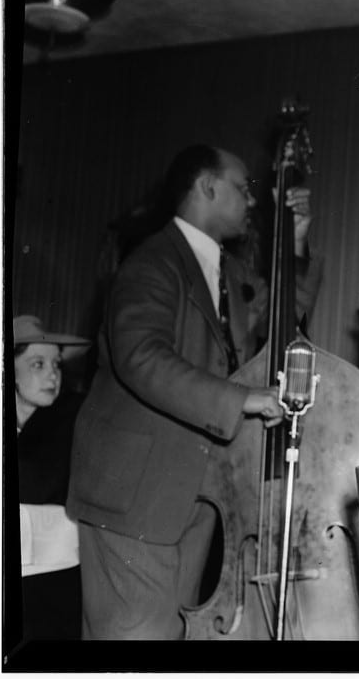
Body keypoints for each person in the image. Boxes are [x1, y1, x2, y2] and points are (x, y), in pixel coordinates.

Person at [66, 144, 321, 639]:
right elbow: (139, 356)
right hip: (136, 498)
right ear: (207, 187)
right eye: (242, 188)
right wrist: (239, 399)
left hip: (190, 498)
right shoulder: (152, 263)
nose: (252, 201)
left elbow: (277, 323)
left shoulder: (224, 273)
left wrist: (297, 244)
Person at [13, 315, 90, 641]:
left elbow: (36, 484)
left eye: (56, 364)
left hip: (56, 579)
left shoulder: (71, 415)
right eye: (37, 364)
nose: (52, 375)